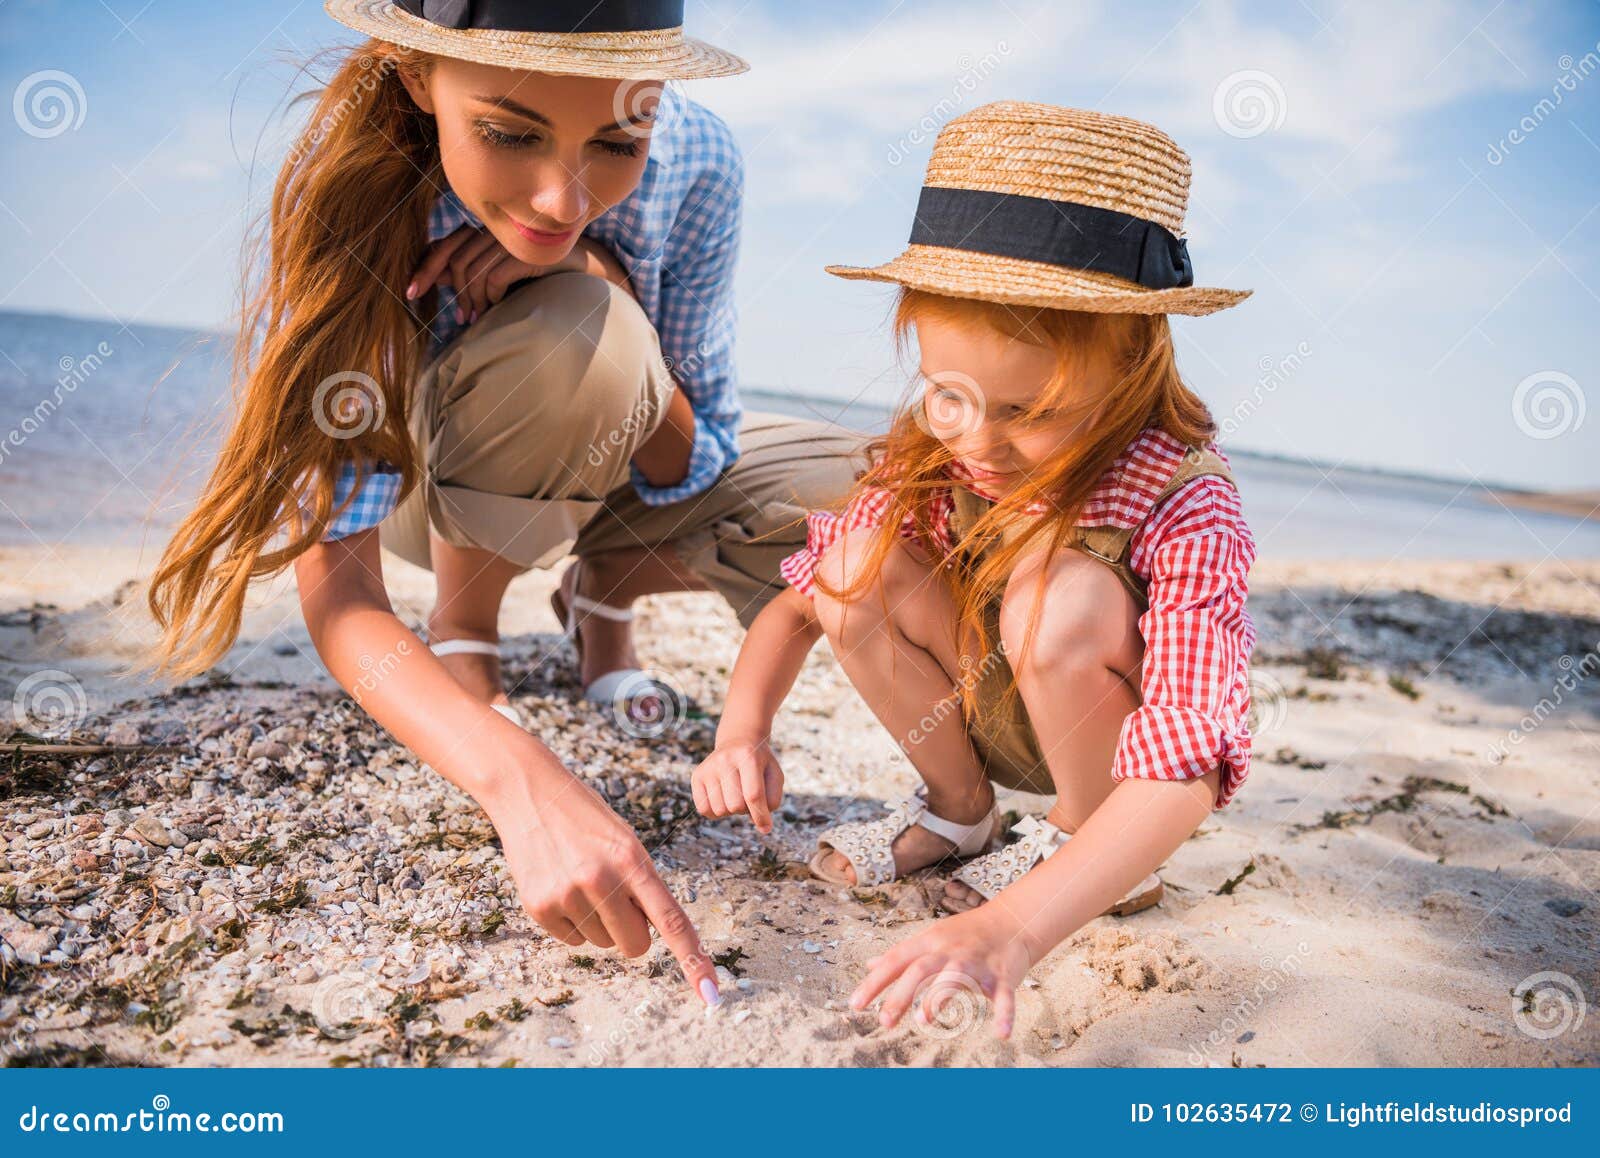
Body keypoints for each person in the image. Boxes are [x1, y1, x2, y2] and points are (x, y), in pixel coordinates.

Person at [146, 0, 861, 1010]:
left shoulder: (698, 158)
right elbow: (343, 592)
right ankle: (466, 634)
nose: (563, 194)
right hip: (434, 495)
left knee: (887, 489)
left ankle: (597, 595)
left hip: (613, 470)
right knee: (581, 336)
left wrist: (595, 270)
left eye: (616, 141)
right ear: (413, 77)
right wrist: (511, 771)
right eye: (509, 132)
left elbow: (691, 460)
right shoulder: (362, 197)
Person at [691, 102, 1257, 1036]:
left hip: (1110, 754)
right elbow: (799, 608)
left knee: (1061, 595)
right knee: (851, 561)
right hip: (976, 699)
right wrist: (740, 732)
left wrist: (1015, 929)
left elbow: (1191, 758)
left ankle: (1087, 851)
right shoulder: (945, 448)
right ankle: (961, 816)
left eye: (1029, 410)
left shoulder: (1181, 495)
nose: (979, 443)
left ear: (1130, 367)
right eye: (949, 394)